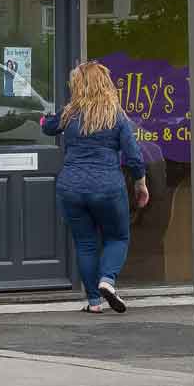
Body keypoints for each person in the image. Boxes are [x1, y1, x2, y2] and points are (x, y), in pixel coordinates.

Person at [38, 61, 148, 314]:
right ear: (104, 83)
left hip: (71, 188)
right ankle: (107, 280)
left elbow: (47, 126)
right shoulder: (116, 115)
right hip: (107, 188)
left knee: (86, 243)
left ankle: (94, 302)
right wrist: (141, 184)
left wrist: (43, 117)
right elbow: (133, 156)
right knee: (118, 237)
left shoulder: (70, 113)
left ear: (78, 85)